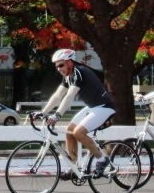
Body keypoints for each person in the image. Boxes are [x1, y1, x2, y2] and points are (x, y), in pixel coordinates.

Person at [39, 48, 116, 178]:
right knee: (70, 131)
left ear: (70, 62)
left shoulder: (79, 72)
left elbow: (69, 96)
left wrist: (57, 115)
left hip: (104, 107)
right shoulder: (68, 76)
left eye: (61, 65)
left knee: (78, 133)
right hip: (93, 107)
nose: (58, 69)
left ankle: (102, 159)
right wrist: (43, 112)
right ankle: (74, 167)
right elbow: (58, 95)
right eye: (56, 66)